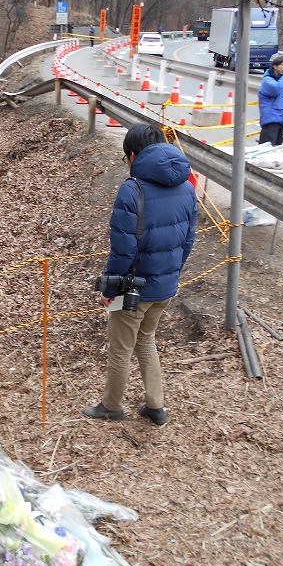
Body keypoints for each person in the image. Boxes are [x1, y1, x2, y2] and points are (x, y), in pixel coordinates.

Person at [82, 124, 198, 426]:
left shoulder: (132, 189)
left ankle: (111, 406)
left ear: (133, 155)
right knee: (146, 340)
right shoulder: (187, 186)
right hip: (166, 286)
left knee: (121, 348)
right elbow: (188, 240)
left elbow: (123, 249)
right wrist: (171, 273)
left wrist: (109, 287)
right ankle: (156, 407)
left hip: (133, 289)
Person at [258, 55, 283, 146]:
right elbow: (276, 89)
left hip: (282, 120)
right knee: (266, 149)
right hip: (271, 120)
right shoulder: (267, 80)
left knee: (276, 149)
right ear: (275, 66)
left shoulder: (282, 81)